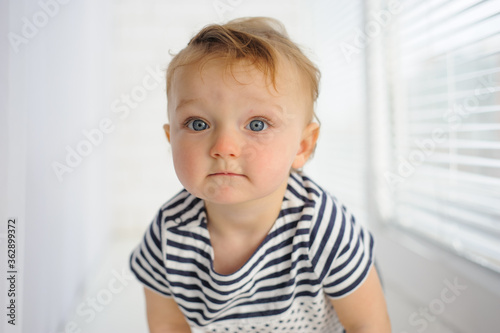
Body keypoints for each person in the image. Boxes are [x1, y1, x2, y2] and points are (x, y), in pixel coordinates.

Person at [129, 17, 391, 333]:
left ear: (302, 146)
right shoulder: (168, 234)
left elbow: (368, 325)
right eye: (198, 124)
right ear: (171, 140)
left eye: (257, 125)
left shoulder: (324, 228)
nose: (224, 147)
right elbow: (168, 324)